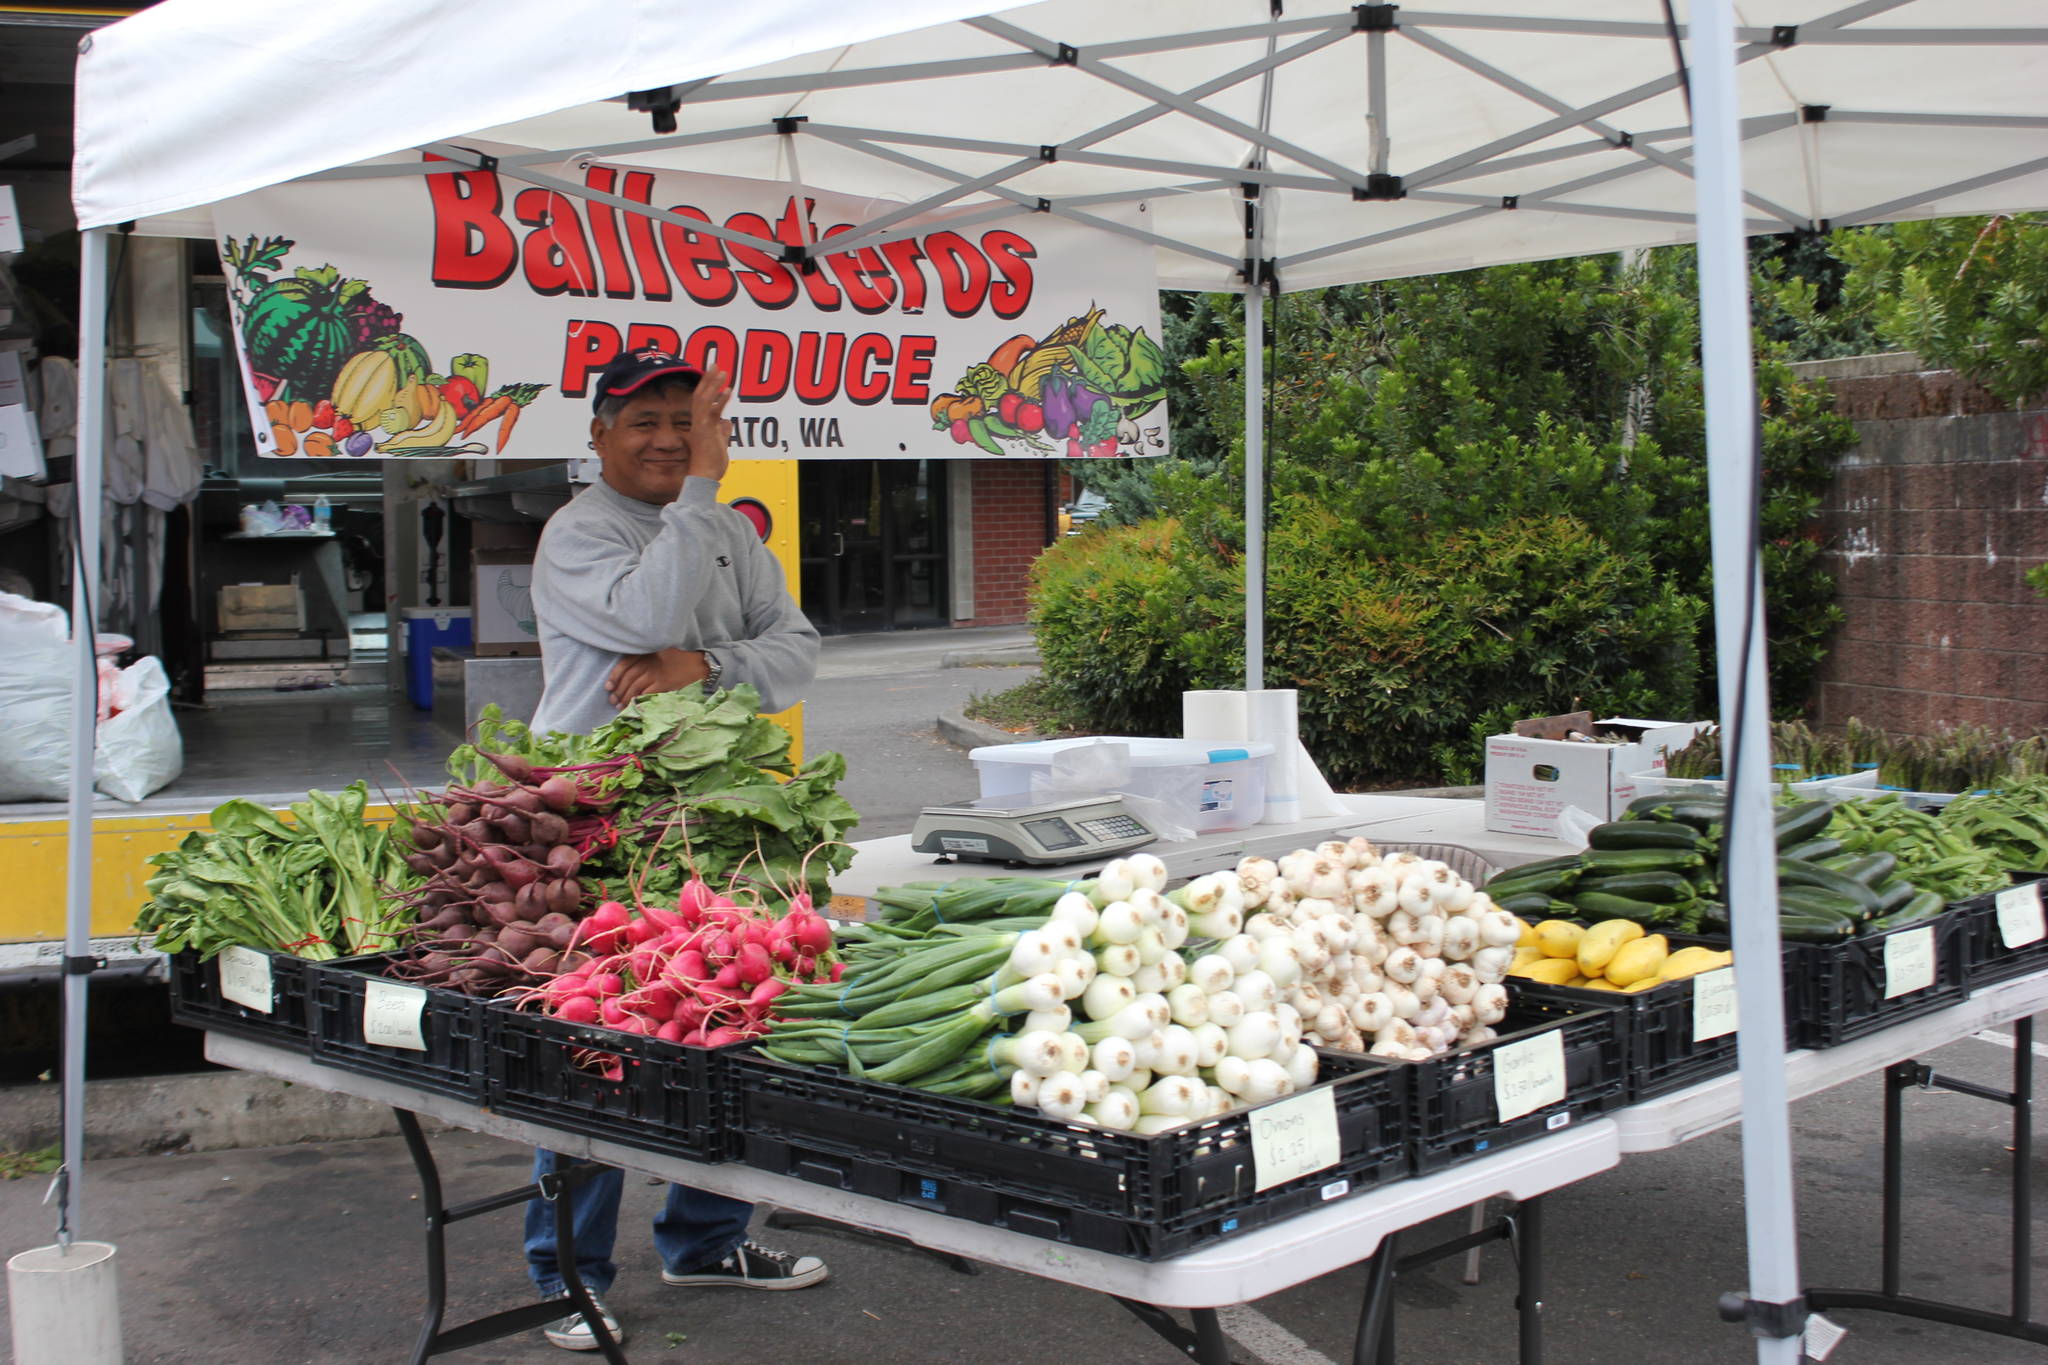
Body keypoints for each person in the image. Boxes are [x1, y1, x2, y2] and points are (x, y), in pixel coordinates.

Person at [522, 348, 826, 1352]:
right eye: (643, 420)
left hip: (718, 816)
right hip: (599, 826)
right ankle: (564, 1273)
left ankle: (705, 1238)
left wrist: (708, 665)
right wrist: (704, 486)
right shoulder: (578, 535)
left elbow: (795, 655)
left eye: (683, 419)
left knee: (729, 1019)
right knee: (597, 1044)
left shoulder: (733, 537)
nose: (666, 438)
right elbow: (648, 613)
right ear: (599, 435)